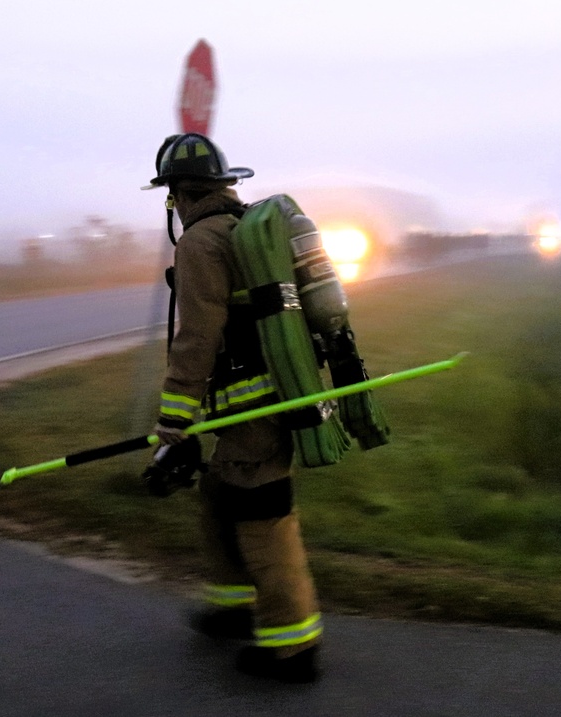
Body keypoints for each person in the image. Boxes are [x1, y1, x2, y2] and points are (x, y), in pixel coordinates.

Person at [141, 133, 321, 684]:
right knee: (219, 495)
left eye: (171, 196)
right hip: (265, 398)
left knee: (263, 515)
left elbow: (196, 336)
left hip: (253, 408)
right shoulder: (244, 231)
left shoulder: (200, 243)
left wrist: (175, 418)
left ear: (178, 194)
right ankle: (233, 607)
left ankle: (294, 647)